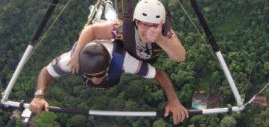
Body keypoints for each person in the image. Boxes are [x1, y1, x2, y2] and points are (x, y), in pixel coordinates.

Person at [30, 40, 189, 125]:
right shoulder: (71, 62)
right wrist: (39, 95)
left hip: (113, 74)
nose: (95, 80)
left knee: (105, 79)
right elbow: (46, 71)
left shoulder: (124, 62)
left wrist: (174, 101)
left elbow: (159, 74)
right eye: (90, 75)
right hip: (89, 57)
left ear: (109, 66)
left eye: (100, 74)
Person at [69, 0, 186, 73]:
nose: (149, 31)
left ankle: (106, 12)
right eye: (144, 25)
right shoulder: (123, 29)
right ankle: (102, 11)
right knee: (97, 24)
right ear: (136, 22)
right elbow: (91, 30)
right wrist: (76, 54)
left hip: (144, 58)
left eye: (154, 25)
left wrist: (160, 39)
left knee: (107, 23)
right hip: (126, 50)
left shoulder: (165, 33)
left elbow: (180, 57)